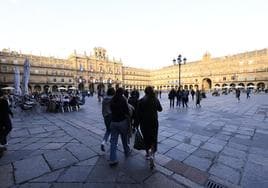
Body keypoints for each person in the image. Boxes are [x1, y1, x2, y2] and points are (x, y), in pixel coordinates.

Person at [137, 86, 162, 169]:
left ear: (145, 92)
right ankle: (152, 155)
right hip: (154, 121)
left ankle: (147, 153)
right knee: (153, 138)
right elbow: (160, 109)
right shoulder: (155, 99)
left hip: (144, 122)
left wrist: (136, 124)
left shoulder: (141, 100)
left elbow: (138, 113)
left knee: (146, 138)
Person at [109, 88, 131, 166]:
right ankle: (127, 152)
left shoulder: (112, 100)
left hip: (113, 122)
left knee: (113, 141)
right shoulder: (123, 100)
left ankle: (112, 159)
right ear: (122, 93)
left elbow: (111, 110)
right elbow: (127, 111)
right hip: (122, 122)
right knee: (124, 139)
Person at [101, 87, 115, 152]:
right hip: (111, 115)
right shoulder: (113, 99)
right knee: (113, 130)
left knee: (108, 130)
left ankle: (103, 142)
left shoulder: (104, 99)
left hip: (105, 116)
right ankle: (113, 143)